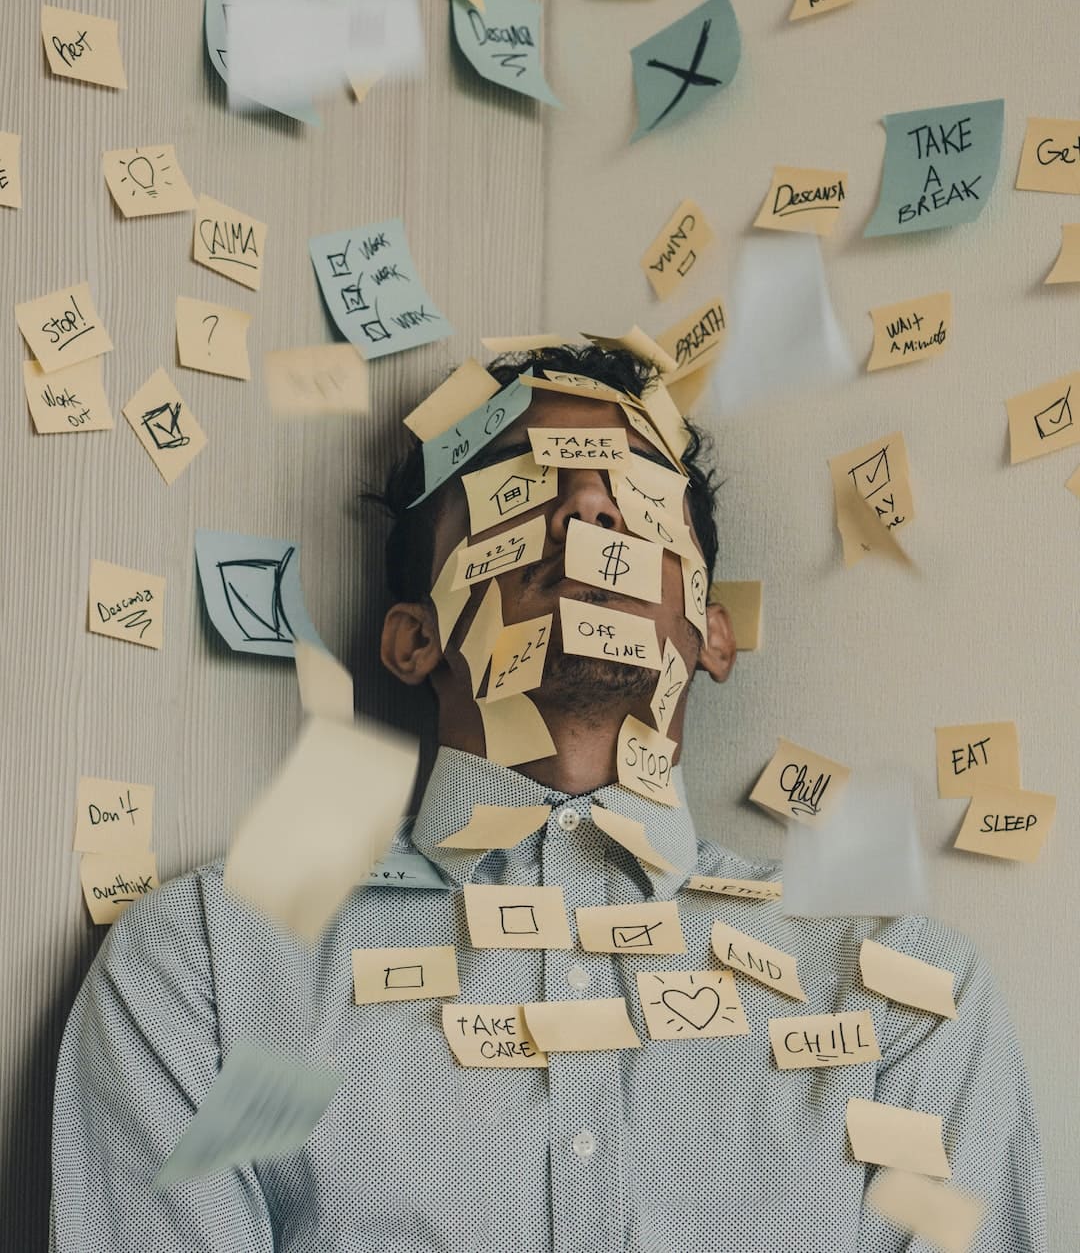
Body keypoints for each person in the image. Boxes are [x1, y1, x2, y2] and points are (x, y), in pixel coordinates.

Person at [51, 344, 1046, 1251]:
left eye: (635, 496)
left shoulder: (907, 1002)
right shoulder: (211, 967)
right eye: (520, 486)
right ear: (414, 638)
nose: (587, 511)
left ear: (709, 632)